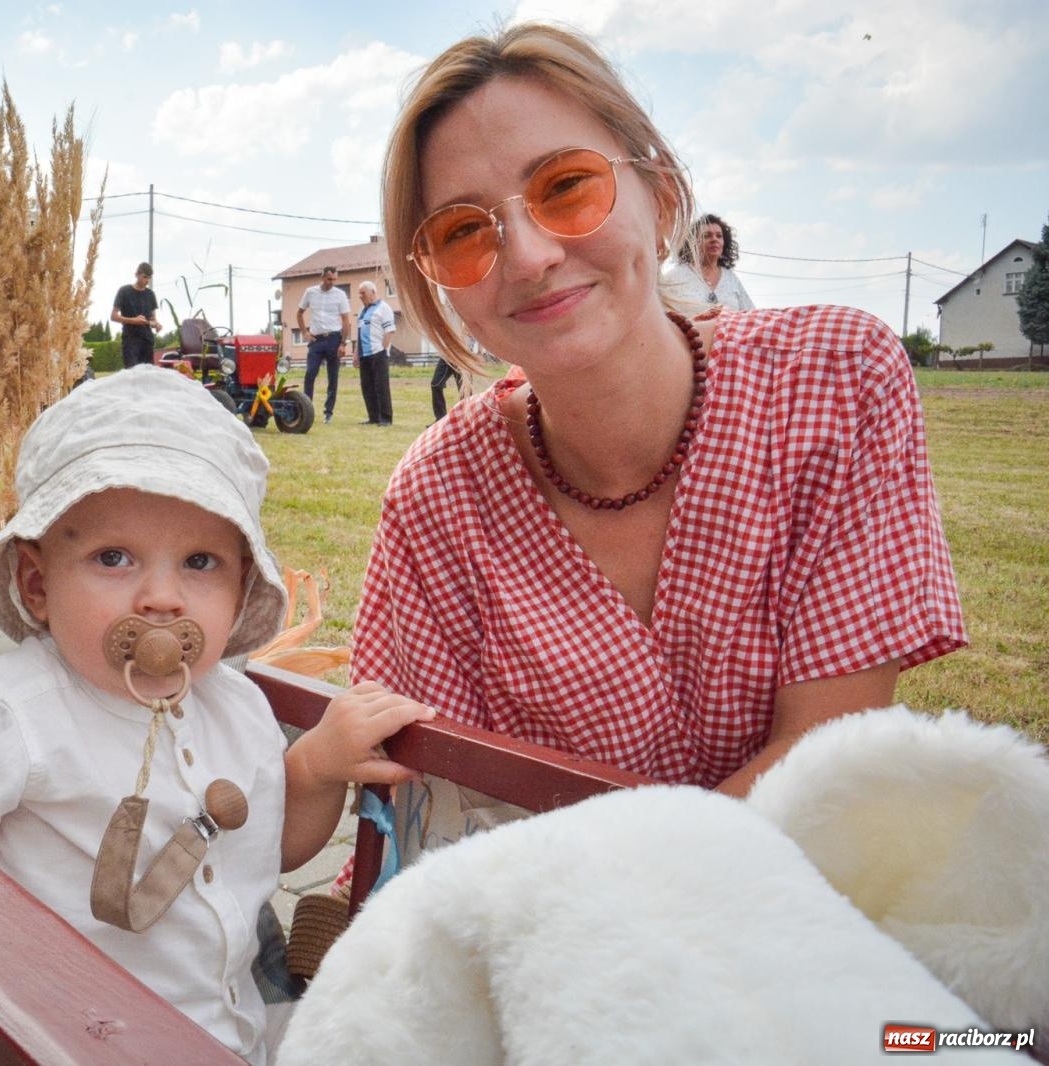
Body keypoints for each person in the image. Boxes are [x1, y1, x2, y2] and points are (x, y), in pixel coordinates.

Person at [352, 23, 965, 801]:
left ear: (663, 194)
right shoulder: (437, 495)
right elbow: (439, 804)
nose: (531, 257)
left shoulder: (834, 382)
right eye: (464, 230)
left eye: (566, 187)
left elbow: (825, 762)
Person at [0, 365, 432, 1065]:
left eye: (200, 562)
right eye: (114, 558)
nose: (162, 597)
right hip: (55, 1044)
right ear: (37, 584)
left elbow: (271, 854)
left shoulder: (237, 704)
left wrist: (314, 768)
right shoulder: (4, 715)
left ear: (240, 586)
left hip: (232, 1039)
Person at [664, 213, 756, 311]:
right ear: (694, 243)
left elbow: (750, 313)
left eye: (719, 236)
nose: (714, 239)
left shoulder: (731, 279)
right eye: (707, 236)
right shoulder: (675, 276)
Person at [297, 266, 352, 424]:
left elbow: (346, 320)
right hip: (316, 340)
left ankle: (328, 412)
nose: (332, 282)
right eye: (329, 279)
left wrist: (343, 343)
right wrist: (305, 333)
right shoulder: (310, 292)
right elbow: (299, 313)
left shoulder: (340, 295)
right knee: (310, 374)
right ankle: (307, 409)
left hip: (334, 338)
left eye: (334, 279)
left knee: (332, 377)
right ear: (322, 277)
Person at [354, 281, 396, 426]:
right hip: (364, 354)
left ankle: (386, 418)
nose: (360, 296)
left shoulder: (383, 308)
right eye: (359, 293)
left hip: (378, 352)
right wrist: (356, 353)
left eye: (363, 293)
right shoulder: (362, 311)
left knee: (381, 386)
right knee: (367, 386)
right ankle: (373, 417)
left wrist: (383, 348)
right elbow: (359, 333)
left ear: (372, 292)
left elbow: (390, 331)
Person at [111, 261, 160, 368]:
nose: (147, 281)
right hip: (130, 340)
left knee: (148, 375)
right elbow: (113, 316)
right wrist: (133, 320)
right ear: (137, 274)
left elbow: (153, 320)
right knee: (132, 374)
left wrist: (157, 325)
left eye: (149, 278)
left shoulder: (150, 294)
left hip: (147, 340)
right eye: (144, 277)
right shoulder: (124, 291)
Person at [429, 357, 461, 422]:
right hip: (446, 356)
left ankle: (468, 418)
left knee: (465, 390)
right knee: (436, 384)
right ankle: (440, 419)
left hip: (462, 357)